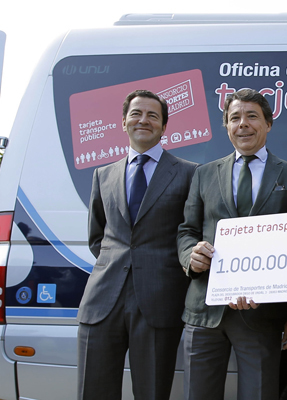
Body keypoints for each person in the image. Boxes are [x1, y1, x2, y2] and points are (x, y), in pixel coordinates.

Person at [177, 88, 287, 400]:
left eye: (252, 116)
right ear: (227, 126)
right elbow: (187, 230)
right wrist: (190, 256)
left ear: (268, 124)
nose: (243, 124)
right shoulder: (204, 174)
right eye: (235, 118)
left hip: (262, 315)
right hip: (205, 310)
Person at [77, 89, 198, 399]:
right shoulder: (103, 175)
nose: (143, 120)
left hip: (159, 301)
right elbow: (97, 237)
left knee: (152, 392)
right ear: (124, 122)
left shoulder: (189, 173)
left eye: (152, 116)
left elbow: (191, 232)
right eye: (136, 114)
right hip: (102, 300)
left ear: (164, 126)